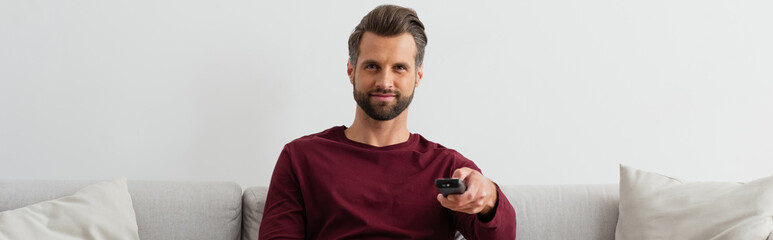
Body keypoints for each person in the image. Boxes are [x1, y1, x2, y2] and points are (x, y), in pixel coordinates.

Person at [259, 4, 516, 240]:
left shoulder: (448, 167)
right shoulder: (300, 158)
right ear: (351, 71)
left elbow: (502, 236)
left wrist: (490, 199)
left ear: (418, 75)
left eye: (399, 68)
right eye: (372, 66)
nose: (384, 81)